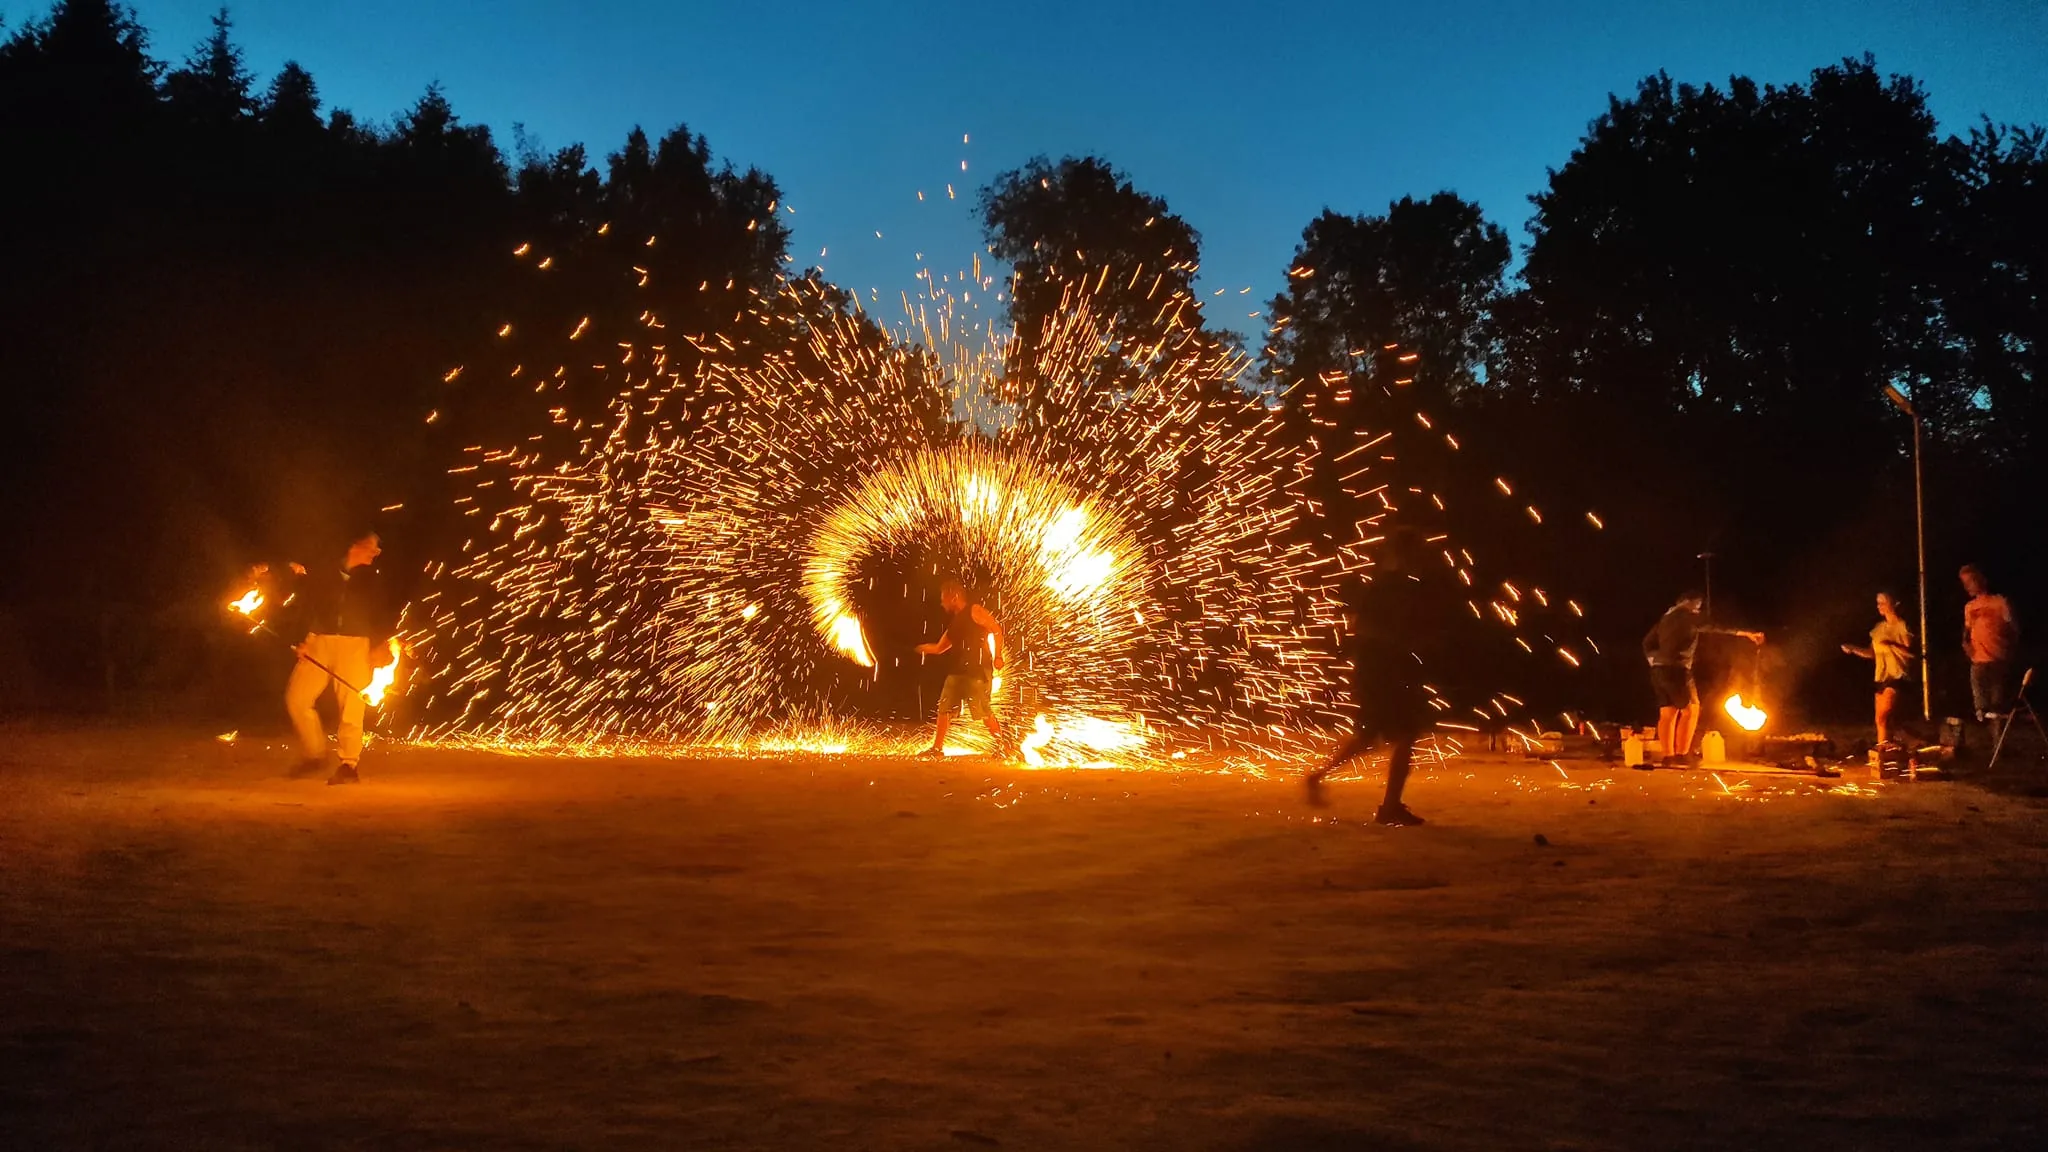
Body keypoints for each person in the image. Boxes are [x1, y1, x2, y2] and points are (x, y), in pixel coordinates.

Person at [1305, 530, 1433, 826]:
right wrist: (1400, 644)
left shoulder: (1397, 586)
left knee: (1375, 735)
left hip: (1384, 669)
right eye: (1415, 554)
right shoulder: (1387, 586)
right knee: (1401, 734)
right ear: (1402, 555)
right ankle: (1388, 806)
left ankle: (1324, 778)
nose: (1419, 561)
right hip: (1380, 671)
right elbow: (1364, 628)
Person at [284, 530, 396, 785]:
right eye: (372, 546)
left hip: (356, 644)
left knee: (352, 706)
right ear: (355, 544)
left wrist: (380, 645)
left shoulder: (373, 578)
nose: (376, 552)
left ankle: (349, 765)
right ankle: (315, 754)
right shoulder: (325, 572)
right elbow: (307, 604)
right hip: (319, 640)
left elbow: (384, 613)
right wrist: (300, 640)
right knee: (297, 698)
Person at [1642, 592, 1763, 767]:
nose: (1698, 609)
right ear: (1686, 602)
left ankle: (1668, 756)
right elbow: (1714, 626)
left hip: (1658, 670)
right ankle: (1682, 754)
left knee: (1667, 713)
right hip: (1678, 669)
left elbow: (1647, 642)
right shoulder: (1688, 616)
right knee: (1691, 709)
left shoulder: (1666, 618)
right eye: (1697, 604)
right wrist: (1745, 633)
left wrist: (1653, 658)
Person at [914, 578, 1007, 757]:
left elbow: (996, 629)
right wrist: (919, 649)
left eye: (944, 598)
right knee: (945, 707)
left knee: (983, 711)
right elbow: (940, 648)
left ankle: (1002, 748)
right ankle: (937, 748)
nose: (942, 603)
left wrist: (998, 656)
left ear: (954, 597)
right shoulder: (955, 623)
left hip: (977, 670)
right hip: (957, 671)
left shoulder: (975, 610)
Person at [1841, 591, 1916, 746]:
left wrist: (1892, 644)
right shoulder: (1878, 628)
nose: (1879, 606)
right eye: (1878, 603)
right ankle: (1884, 754)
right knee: (1880, 721)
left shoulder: (1903, 625)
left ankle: (1911, 742)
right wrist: (1853, 648)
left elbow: (1912, 653)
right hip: (1881, 676)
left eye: (1883, 602)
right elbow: (1871, 653)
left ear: (1894, 604)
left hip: (1898, 675)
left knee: (1885, 715)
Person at [1959, 565, 2017, 721]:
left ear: (1981, 580)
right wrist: (1966, 645)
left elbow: (2014, 628)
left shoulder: (2000, 602)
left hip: (1998, 659)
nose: (1967, 586)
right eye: (1964, 582)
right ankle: (1984, 731)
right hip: (1978, 660)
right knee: (1981, 708)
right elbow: (1967, 631)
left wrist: (2009, 650)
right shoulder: (1969, 607)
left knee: (1996, 706)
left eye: (1970, 581)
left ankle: (1998, 742)